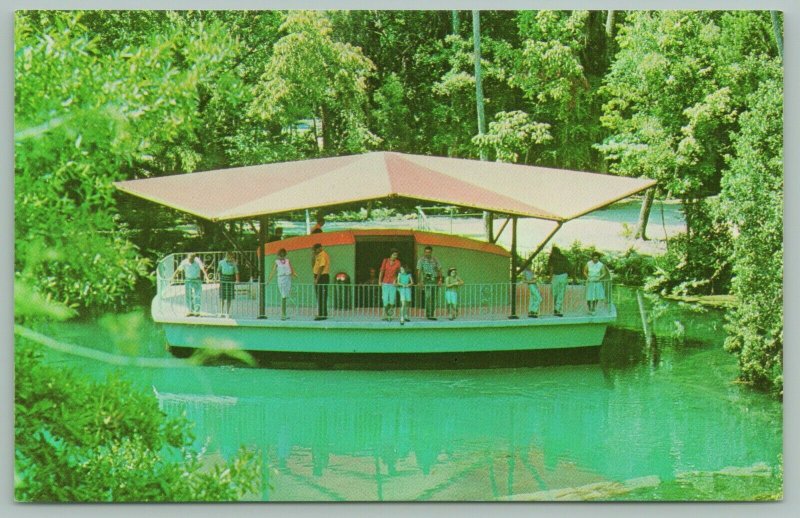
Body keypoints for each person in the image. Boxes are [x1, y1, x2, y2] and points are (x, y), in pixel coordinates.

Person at [267, 248, 297, 320]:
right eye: (281, 254)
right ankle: (283, 314)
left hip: (288, 278)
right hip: (281, 279)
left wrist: (294, 274)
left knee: (286, 295)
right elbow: (273, 271)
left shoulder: (287, 261)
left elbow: (291, 269)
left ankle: (284, 313)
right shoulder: (277, 262)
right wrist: (268, 280)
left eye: (283, 254)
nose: (282, 256)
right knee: (283, 295)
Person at [416, 245, 442, 320]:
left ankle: (431, 314)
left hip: (434, 281)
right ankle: (428, 314)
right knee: (428, 297)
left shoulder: (435, 260)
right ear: (424, 252)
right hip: (426, 281)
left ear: (431, 252)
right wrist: (419, 281)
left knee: (434, 298)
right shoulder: (421, 260)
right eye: (426, 252)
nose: (427, 253)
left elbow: (439, 269)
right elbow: (419, 271)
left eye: (429, 252)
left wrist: (440, 280)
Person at [378, 248, 402, 321]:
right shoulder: (385, 261)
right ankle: (387, 314)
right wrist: (379, 281)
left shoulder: (398, 262)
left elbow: (399, 273)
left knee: (392, 300)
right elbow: (382, 271)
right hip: (385, 282)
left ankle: (390, 316)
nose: (395, 256)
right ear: (391, 254)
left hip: (393, 283)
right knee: (385, 299)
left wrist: (397, 281)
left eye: (396, 255)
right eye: (394, 255)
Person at [547, 246, 571, 317]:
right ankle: (557, 308)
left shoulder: (552, 258)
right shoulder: (563, 257)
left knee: (556, 293)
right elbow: (569, 267)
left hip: (557, 275)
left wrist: (550, 278)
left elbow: (551, 269)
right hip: (562, 275)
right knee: (560, 293)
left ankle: (556, 308)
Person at [217, 252, 240, 317]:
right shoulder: (221, 262)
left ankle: (227, 312)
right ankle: (221, 312)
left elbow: (236, 272)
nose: (231, 258)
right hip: (223, 279)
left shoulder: (234, 263)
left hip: (230, 279)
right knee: (222, 297)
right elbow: (218, 271)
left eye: (231, 256)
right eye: (229, 256)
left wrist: (237, 280)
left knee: (229, 297)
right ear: (226, 256)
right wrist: (219, 279)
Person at [312, 243, 330, 320]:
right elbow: (313, 266)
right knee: (319, 296)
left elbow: (321, 267)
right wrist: (313, 257)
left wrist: (317, 279)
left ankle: (322, 314)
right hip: (318, 276)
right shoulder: (318, 256)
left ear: (318, 248)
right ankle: (322, 313)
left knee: (322, 295)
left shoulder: (323, 255)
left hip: (322, 277)